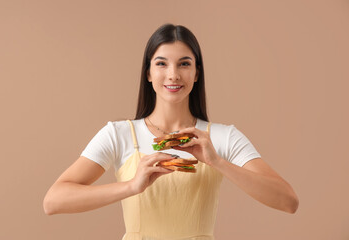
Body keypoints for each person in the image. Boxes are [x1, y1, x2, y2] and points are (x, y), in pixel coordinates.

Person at [43, 23, 299, 239]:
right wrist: (132, 186)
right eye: (162, 63)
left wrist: (216, 162)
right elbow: (53, 201)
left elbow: (288, 201)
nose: (173, 75)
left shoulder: (221, 137)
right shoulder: (118, 134)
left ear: (197, 73)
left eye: (184, 64)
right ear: (148, 73)